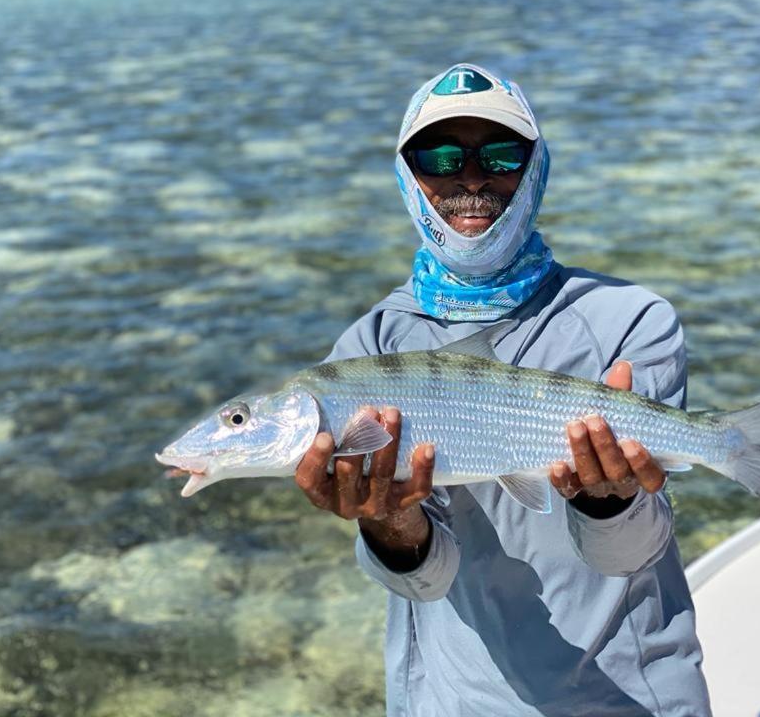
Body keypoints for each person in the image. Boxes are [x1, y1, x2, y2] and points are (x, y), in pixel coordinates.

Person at [294, 63, 712, 717]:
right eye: (439, 157)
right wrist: (387, 522)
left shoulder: (631, 321)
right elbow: (426, 583)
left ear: (536, 167)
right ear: (408, 176)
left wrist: (610, 502)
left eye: (499, 154)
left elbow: (632, 552)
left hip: (626, 698)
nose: (470, 178)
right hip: (447, 700)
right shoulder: (368, 347)